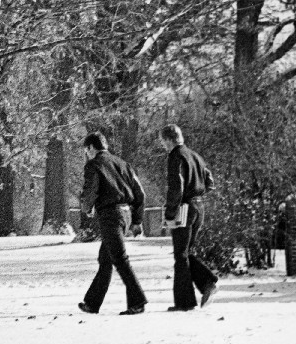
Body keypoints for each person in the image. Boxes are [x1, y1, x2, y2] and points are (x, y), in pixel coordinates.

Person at [78, 132, 148, 316]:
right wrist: (137, 219)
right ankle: (92, 303)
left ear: (91, 148)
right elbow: (140, 193)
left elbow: (91, 190)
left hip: (110, 214)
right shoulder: (123, 163)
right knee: (106, 259)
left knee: (119, 259)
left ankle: (138, 301)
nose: (87, 155)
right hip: (126, 214)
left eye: (87, 151)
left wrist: (86, 207)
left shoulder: (94, 165)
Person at [159, 124, 219, 311]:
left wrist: (170, 213)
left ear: (169, 139)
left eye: (163, 141)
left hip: (185, 208)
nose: (163, 145)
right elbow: (210, 182)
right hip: (199, 206)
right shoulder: (195, 155)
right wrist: (197, 193)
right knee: (185, 252)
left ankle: (187, 300)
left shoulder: (175, 156)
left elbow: (176, 186)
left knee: (180, 254)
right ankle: (206, 283)